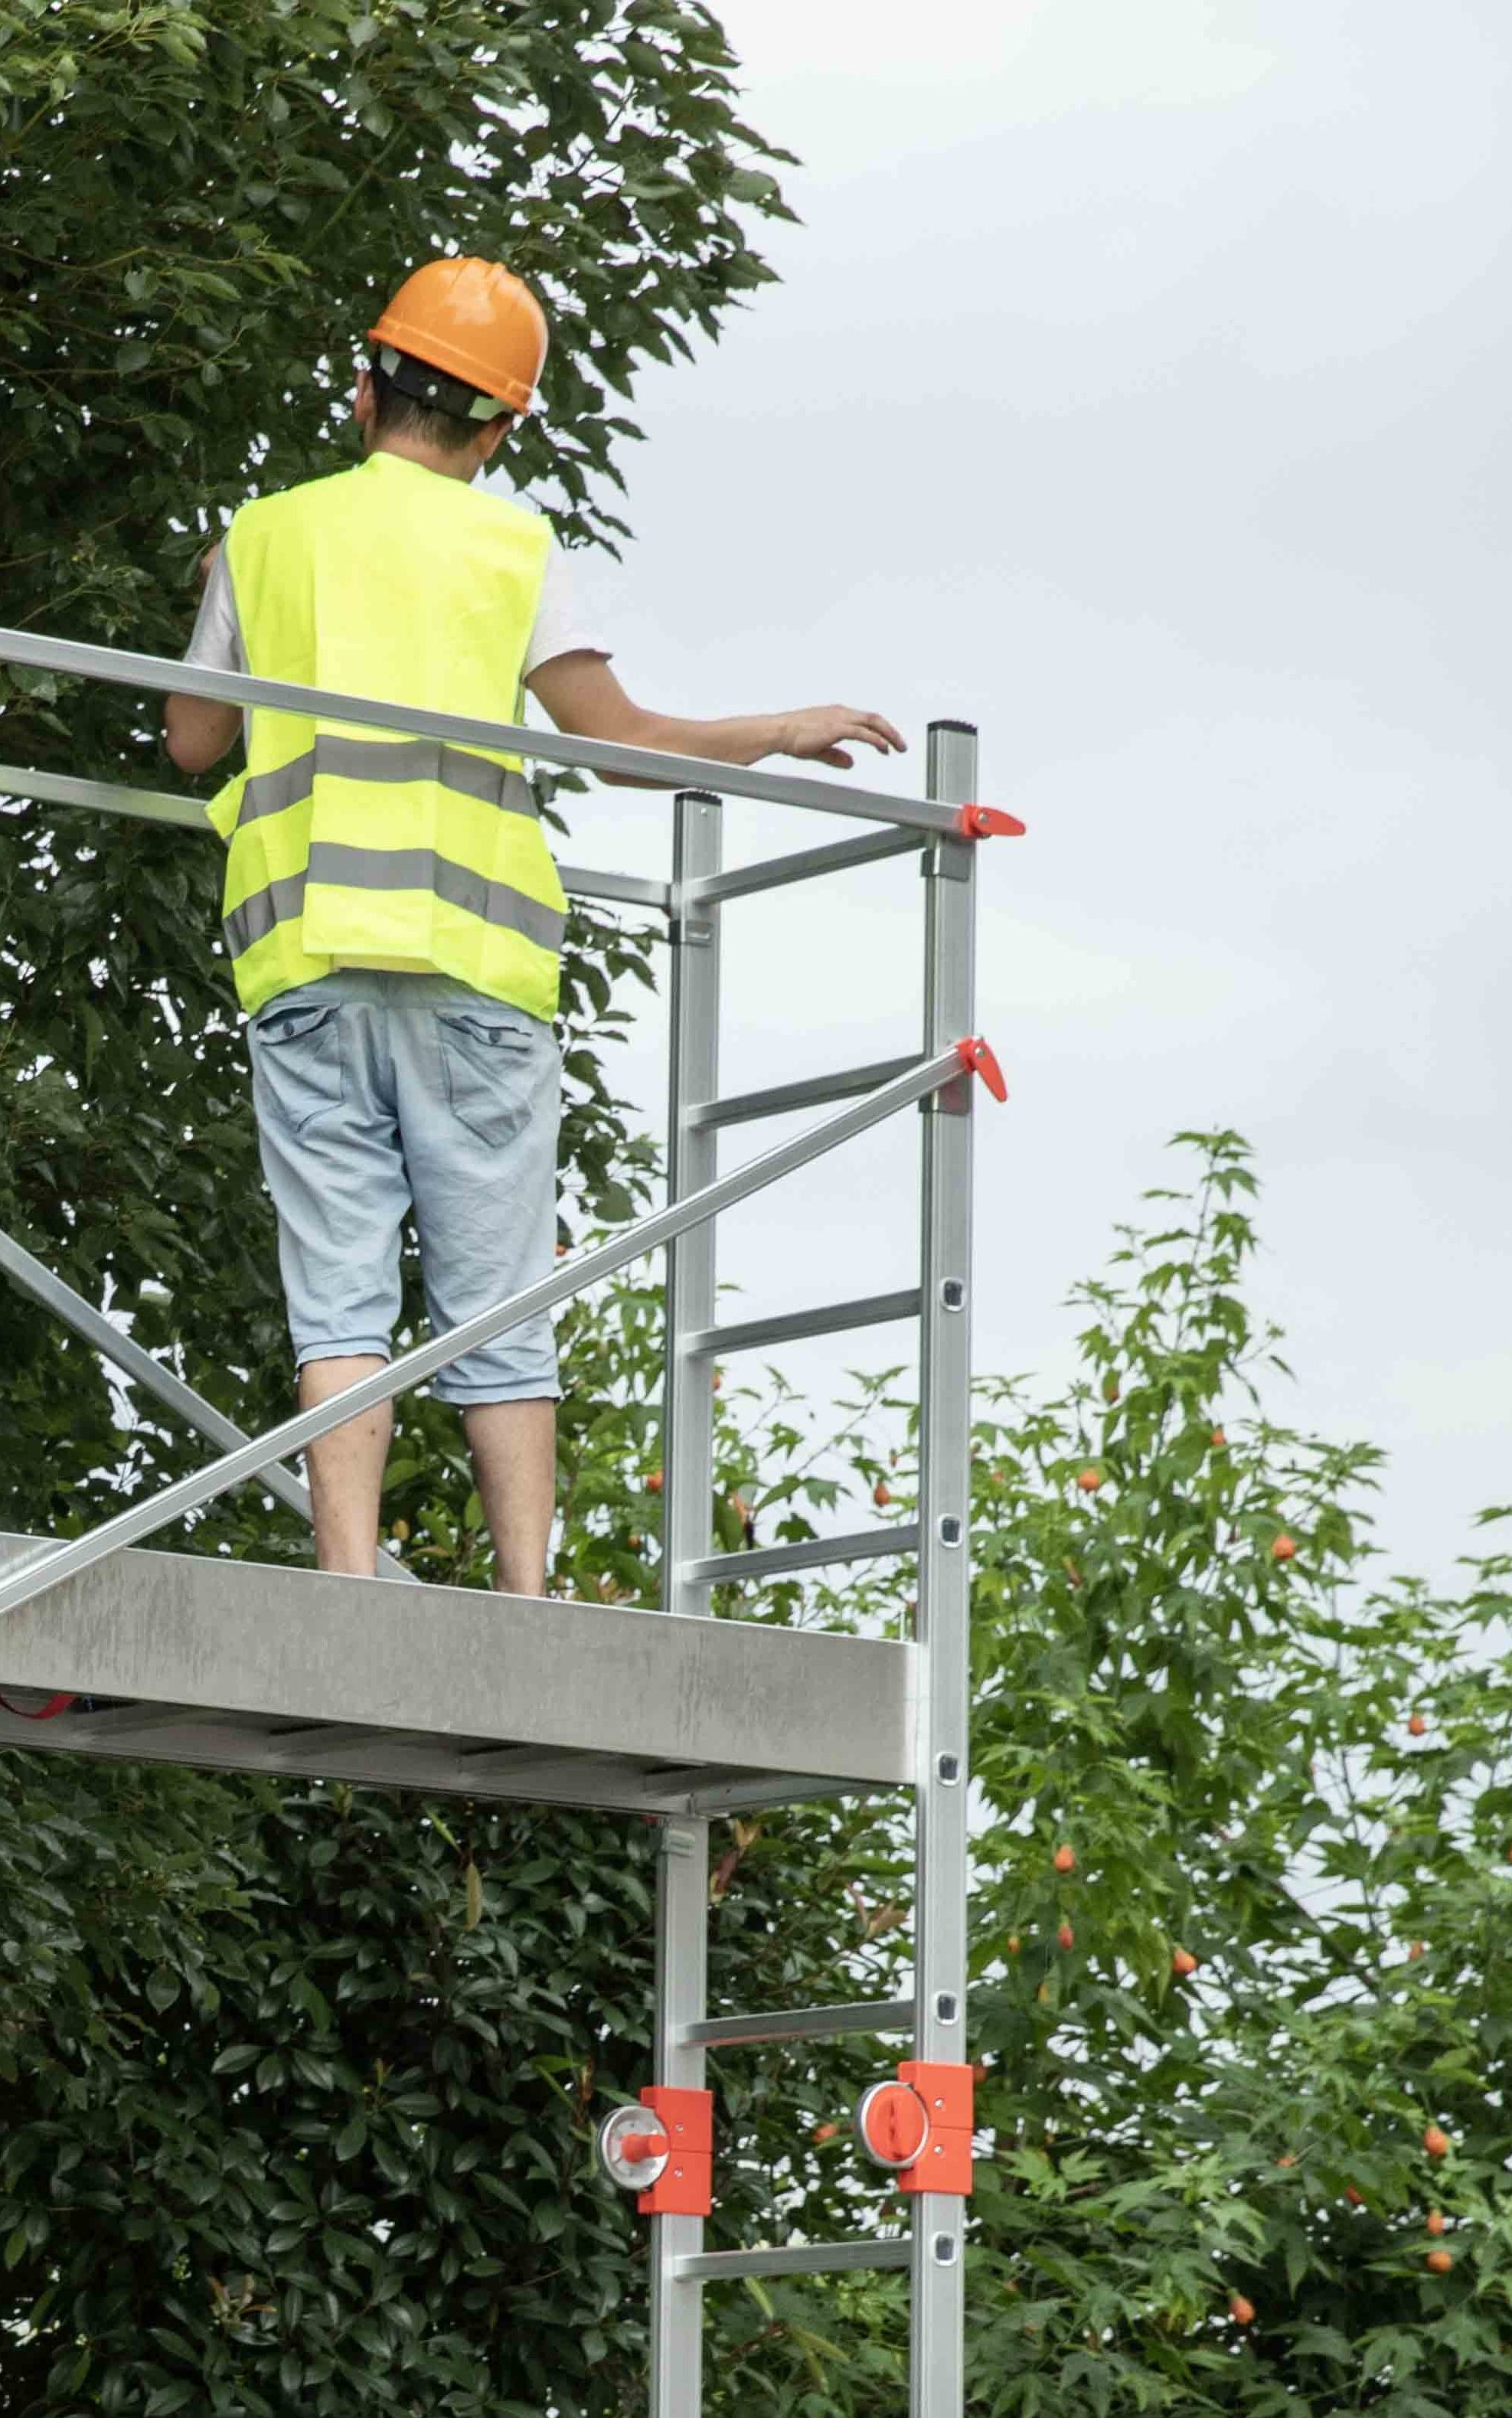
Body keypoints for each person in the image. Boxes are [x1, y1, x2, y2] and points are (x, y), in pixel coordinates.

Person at [164, 258, 903, 1595]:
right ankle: (521, 1596)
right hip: (476, 970)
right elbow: (617, 745)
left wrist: (232, 601)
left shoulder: (264, 536)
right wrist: (780, 731)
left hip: (309, 955)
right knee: (496, 1293)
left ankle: (343, 1576)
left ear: (362, 389)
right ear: (500, 428)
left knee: (338, 1289)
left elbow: (189, 739)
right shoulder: (513, 549)